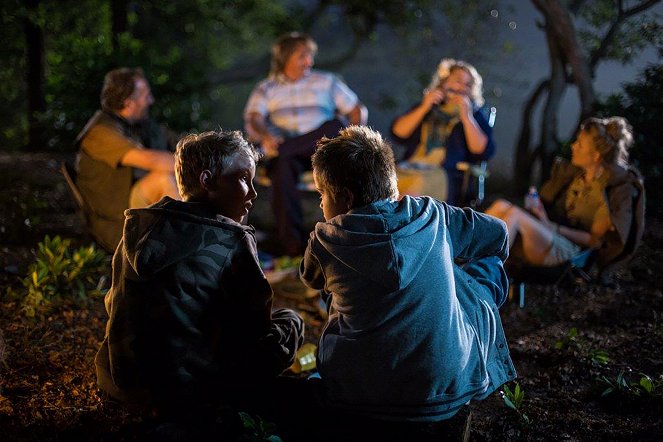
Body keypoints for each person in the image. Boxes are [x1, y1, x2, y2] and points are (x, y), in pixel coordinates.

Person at [293, 126, 515, 439]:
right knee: (479, 269)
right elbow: (498, 235)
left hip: (356, 392)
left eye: (322, 195)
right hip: (447, 389)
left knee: (338, 294)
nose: (320, 205)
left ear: (344, 198)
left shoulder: (326, 240)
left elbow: (311, 277)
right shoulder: (431, 213)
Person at [94, 130, 305, 428]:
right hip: (191, 392)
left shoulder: (139, 227)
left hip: (122, 381)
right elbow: (254, 331)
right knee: (290, 321)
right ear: (207, 181)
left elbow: (113, 303)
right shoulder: (231, 239)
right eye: (244, 178)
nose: (253, 193)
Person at [244, 31, 368, 257]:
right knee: (281, 168)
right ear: (286, 57)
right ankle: (293, 249)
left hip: (322, 146)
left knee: (334, 124)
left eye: (310, 56)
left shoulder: (326, 81)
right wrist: (264, 136)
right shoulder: (266, 88)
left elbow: (356, 110)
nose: (309, 61)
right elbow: (254, 119)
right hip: (289, 155)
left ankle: (282, 151)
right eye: (303, 56)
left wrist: (354, 138)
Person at [485, 116, 645, 281]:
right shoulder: (576, 177)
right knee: (501, 205)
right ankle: (469, 259)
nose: (573, 146)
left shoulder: (608, 192)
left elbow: (593, 241)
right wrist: (539, 210)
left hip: (572, 252)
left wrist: (550, 225)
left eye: (580, 144)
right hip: (551, 234)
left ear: (596, 155)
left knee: (514, 215)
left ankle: (482, 275)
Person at [75, 67, 180, 252]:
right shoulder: (100, 134)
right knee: (164, 178)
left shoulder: (139, 125)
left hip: (134, 206)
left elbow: (179, 141)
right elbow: (152, 160)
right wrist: (204, 163)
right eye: (145, 95)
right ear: (128, 103)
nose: (151, 100)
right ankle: (192, 247)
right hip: (117, 224)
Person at [390, 58, 495, 205]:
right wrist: (424, 107)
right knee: (381, 182)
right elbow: (398, 133)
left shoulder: (475, 114)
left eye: (468, 85)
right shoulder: (429, 108)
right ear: (444, 82)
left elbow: (482, 151)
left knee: (411, 194)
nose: (462, 88)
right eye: (458, 81)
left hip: (444, 174)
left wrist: (466, 116)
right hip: (410, 167)